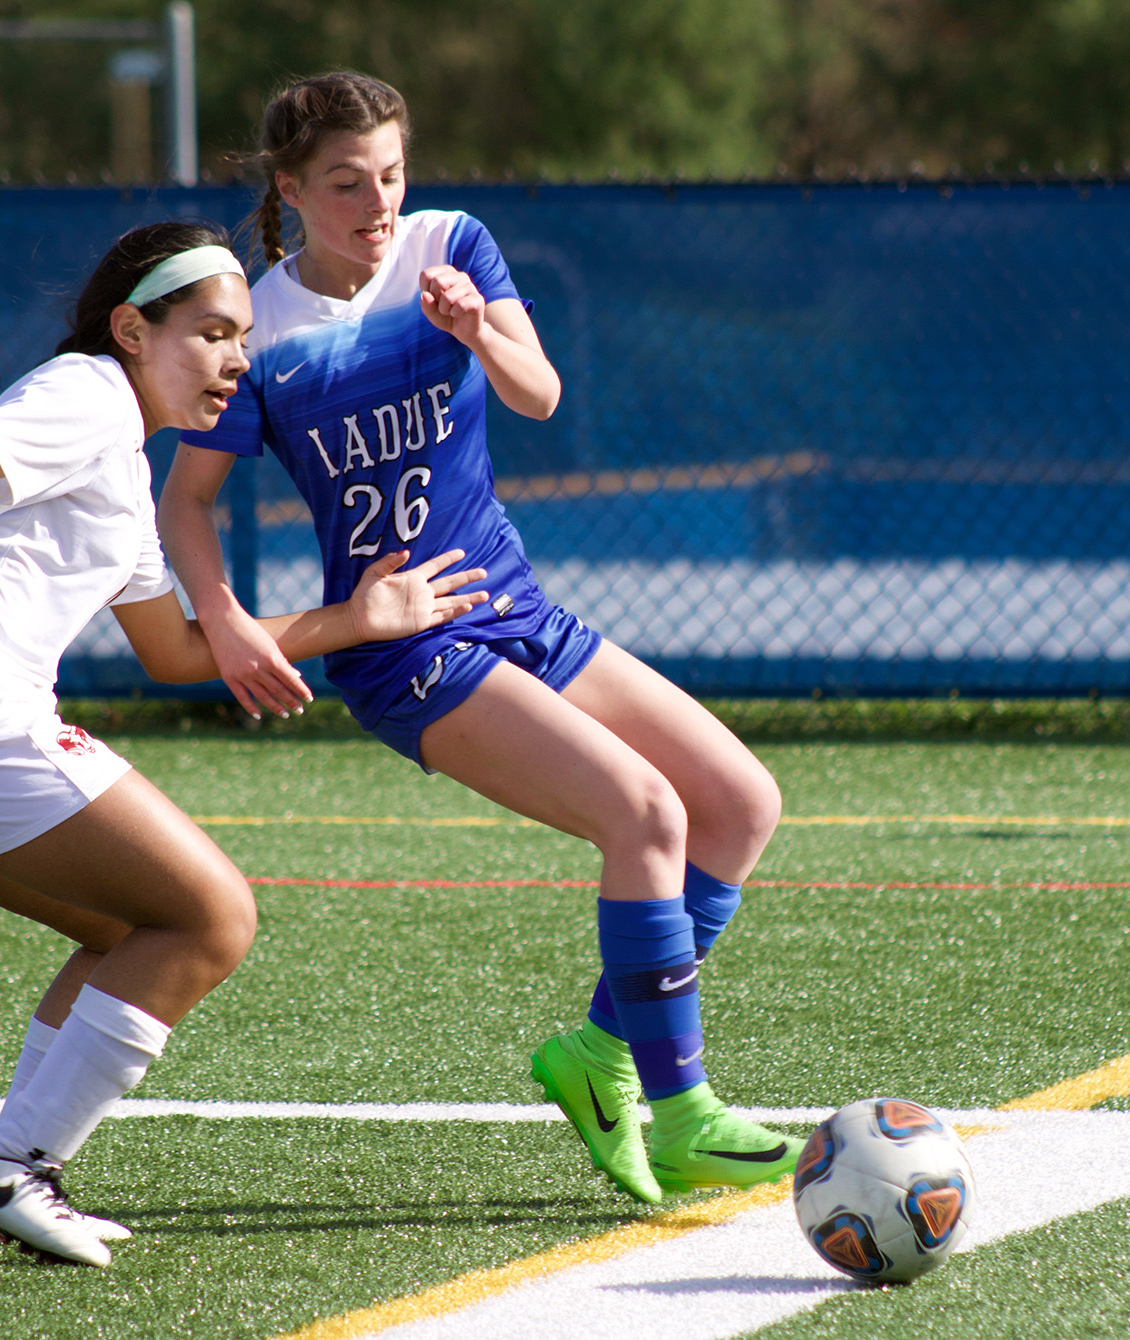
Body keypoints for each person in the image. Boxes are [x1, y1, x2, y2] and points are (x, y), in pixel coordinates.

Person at [160, 73, 802, 1206]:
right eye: (348, 182)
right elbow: (187, 503)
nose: (378, 202)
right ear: (290, 189)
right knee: (644, 812)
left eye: (393, 174)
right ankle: (685, 1107)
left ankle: (600, 1056)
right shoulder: (257, 329)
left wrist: (477, 331)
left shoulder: (454, 246)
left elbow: (541, 393)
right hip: (404, 648)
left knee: (740, 803)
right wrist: (224, 620)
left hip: (511, 605)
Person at [0, 218, 487, 1266]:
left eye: (244, 339)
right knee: (214, 914)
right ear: (132, 328)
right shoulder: (85, 394)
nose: (235, 360)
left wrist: (360, 617)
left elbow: (175, 650)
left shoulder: (125, 465)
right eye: (211, 333)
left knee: (134, 931)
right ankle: (10, 1167)